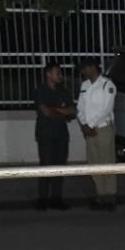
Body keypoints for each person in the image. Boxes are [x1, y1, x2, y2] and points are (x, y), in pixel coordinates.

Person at [76, 59, 117, 210]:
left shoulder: (107, 85)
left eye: (84, 68)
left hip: (103, 128)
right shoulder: (85, 85)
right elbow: (80, 108)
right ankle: (100, 195)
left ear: (92, 67)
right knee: (93, 162)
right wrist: (84, 125)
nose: (83, 72)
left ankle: (110, 197)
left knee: (107, 162)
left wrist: (90, 125)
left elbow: (105, 109)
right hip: (89, 129)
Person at [34, 60, 74, 210]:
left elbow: (72, 110)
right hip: (46, 135)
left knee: (60, 167)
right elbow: (45, 111)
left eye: (60, 73)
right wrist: (62, 111)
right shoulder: (41, 90)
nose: (60, 76)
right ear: (48, 74)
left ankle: (57, 198)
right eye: (57, 73)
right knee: (45, 167)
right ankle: (42, 199)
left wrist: (57, 111)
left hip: (61, 135)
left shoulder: (63, 90)